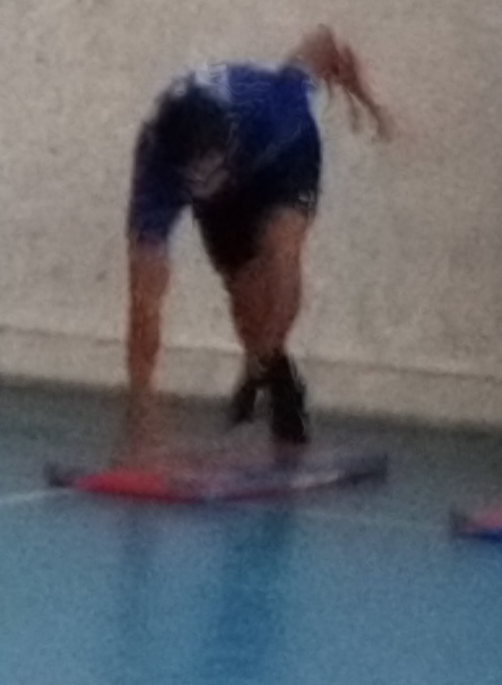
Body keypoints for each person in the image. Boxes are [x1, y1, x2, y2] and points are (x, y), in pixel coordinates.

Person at [120, 28, 393, 458]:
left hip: (283, 161)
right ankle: (279, 377)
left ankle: (259, 369)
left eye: (212, 168)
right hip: (221, 192)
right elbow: (144, 297)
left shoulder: (271, 108)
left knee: (282, 253)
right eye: (197, 176)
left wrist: (366, 101)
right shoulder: (157, 169)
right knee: (245, 306)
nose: (208, 179)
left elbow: (320, 44)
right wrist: (142, 413)